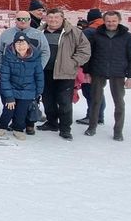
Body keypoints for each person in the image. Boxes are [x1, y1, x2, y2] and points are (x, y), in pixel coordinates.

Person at [37, 8, 91, 140]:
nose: (53, 20)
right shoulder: (39, 32)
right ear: (46, 18)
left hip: (65, 73)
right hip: (45, 72)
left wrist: (73, 62)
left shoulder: (73, 32)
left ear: (62, 18)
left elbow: (85, 50)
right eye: (50, 17)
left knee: (64, 101)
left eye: (56, 17)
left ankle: (65, 128)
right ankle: (52, 122)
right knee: (47, 99)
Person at [84, 11, 131, 140]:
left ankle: (118, 131)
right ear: (104, 21)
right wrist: (87, 71)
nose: (111, 23)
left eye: (113, 21)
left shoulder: (127, 37)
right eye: (108, 21)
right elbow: (89, 54)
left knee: (119, 103)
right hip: (98, 71)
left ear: (118, 21)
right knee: (95, 101)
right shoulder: (97, 35)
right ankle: (92, 127)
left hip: (118, 72)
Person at [0, 32, 44, 140]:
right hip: (11, 88)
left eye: (23, 44)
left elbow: (39, 76)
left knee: (21, 112)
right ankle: (1, 126)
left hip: (28, 89)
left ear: (28, 45)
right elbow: (4, 78)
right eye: (18, 44)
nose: (20, 46)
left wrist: (38, 92)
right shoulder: (8, 57)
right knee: (8, 110)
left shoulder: (35, 57)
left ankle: (18, 129)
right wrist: (9, 96)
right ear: (13, 45)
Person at [0, 11, 51, 78]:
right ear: (15, 20)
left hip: (31, 76)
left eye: (26, 19)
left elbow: (45, 52)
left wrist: (38, 69)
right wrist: (0, 70)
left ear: (30, 20)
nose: (23, 21)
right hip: (9, 75)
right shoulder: (6, 34)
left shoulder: (38, 35)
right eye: (20, 19)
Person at [78, 8, 106, 126]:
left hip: (89, 67)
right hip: (103, 66)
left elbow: (79, 46)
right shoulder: (107, 29)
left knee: (89, 91)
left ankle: (92, 116)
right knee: (99, 91)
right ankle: (99, 116)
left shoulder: (89, 31)